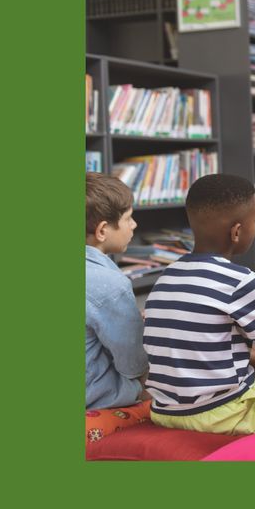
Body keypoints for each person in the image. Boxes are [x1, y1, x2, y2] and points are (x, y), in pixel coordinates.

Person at [143, 174, 255, 435]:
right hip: (226, 416)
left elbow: (202, 349)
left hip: (165, 413)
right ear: (237, 232)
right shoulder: (239, 280)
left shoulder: (166, 276)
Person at [85, 173, 149, 411]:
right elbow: (134, 366)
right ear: (102, 230)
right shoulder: (110, 284)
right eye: (129, 218)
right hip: (97, 396)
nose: (134, 225)